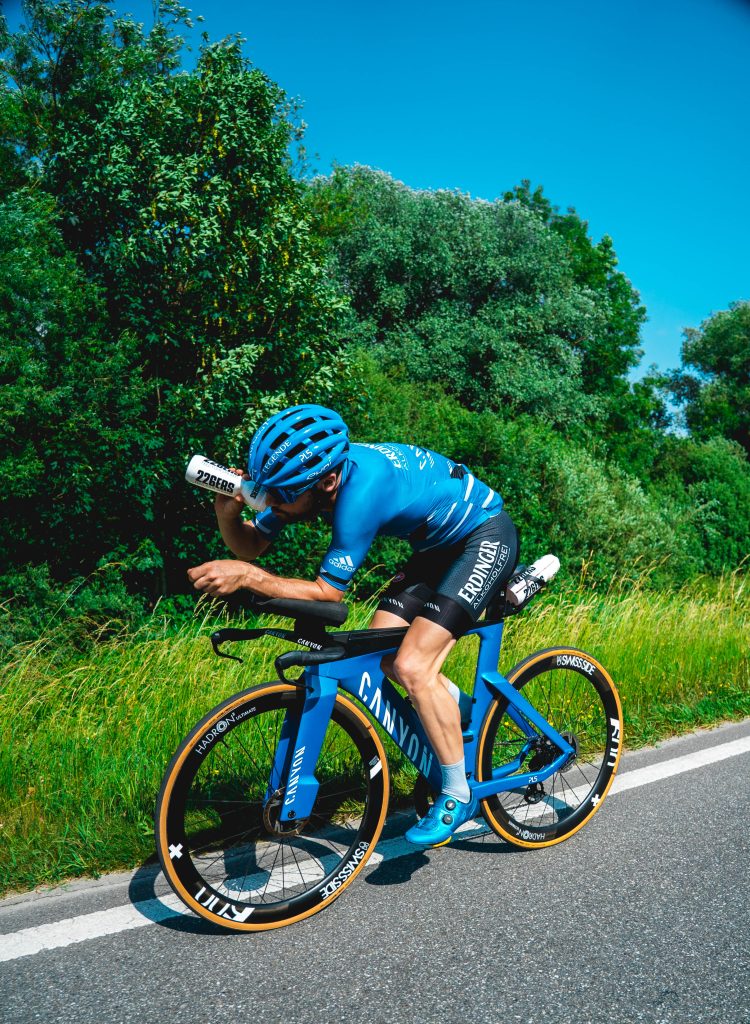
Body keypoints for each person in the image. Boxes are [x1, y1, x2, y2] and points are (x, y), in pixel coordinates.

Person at [188, 404, 519, 848]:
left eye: (282, 494)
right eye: (268, 491)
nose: (273, 502)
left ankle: (458, 794)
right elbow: (251, 545)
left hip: (484, 536)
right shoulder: (306, 480)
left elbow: (327, 593)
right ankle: (459, 709)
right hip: (436, 548)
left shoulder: (360, 494)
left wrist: (249, 578)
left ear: (326, 482)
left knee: (415, 667)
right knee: (385, 659)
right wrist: (228, 516)